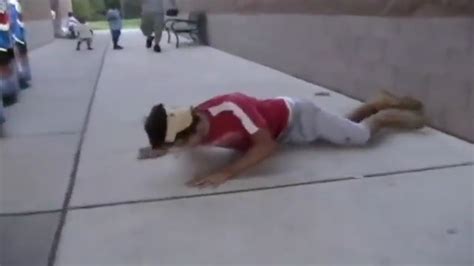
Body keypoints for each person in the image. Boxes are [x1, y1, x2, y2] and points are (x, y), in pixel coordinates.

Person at [139, 91, 425, 188]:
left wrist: (226, 172)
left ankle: (385, 114)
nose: (179, 152)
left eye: (177, 146)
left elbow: (266, 146)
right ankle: (374, 104)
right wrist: (154, 150)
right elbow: (168, 139)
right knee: (343, 128)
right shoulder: (190, 128)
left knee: (359, 137)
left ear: (190, 131)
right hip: (282, 129)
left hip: (297, 117)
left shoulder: (232, 107)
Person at [8, 0, 31, 89]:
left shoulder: (15, 5)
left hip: (18, 36)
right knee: (17, 58)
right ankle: (20, 79)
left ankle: (22, 78)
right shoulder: (11, 5)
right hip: (15, 36)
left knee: (20, 58)